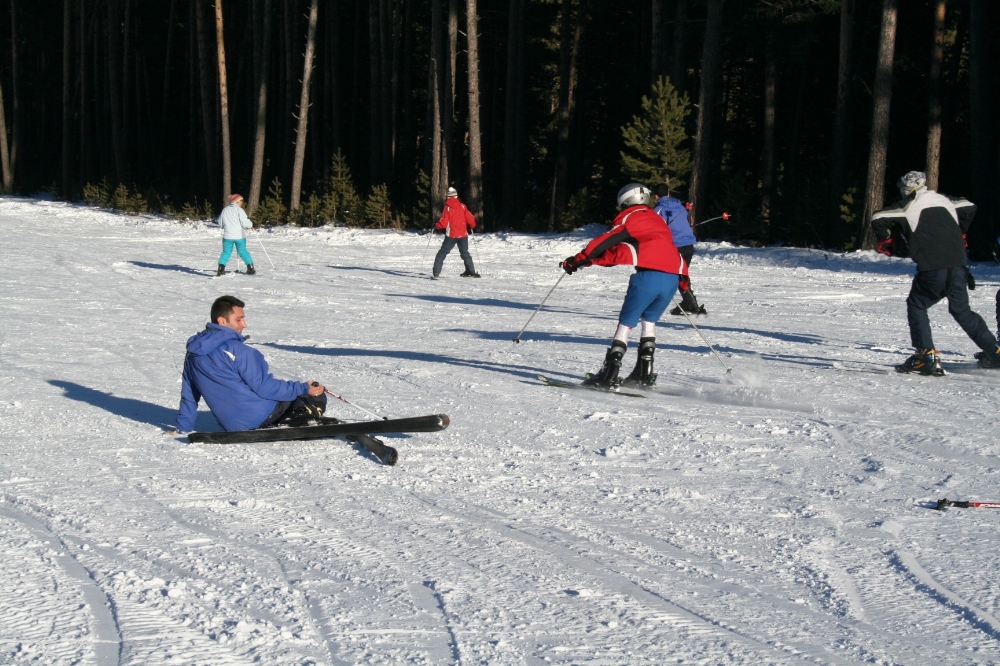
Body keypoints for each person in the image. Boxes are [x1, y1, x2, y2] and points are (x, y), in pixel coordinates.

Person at [871, 171, 1000, 374]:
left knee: (917, 304)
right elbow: (969, 206)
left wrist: (885, 239)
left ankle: (926, 356)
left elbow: (878, 217)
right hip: (959, 266)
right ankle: (995, 352)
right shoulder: (945, 200)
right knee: (962, 311)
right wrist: (961, 231)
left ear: (906, 188)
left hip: (933, 268)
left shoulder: (907, 205)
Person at [561, 182, 687, 388]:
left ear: (625, 200)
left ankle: (610, 371)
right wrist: (684, 288)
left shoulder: (632, 217)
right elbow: (625, 252)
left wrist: (578, 260)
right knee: (649, 321)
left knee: (626, 323)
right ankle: (644, 372)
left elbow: (605, 242)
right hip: (673, 277)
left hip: (647, 278)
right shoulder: (656, 220)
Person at [171, 295, 327, 433]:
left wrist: (183, 427)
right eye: (239, 319)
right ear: (222, 321)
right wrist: (304, 387)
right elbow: (265, 388)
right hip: (261, 416)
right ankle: (296, 419)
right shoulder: (240, 351)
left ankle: (292, 416)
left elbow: (189, 394)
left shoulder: (193, 353)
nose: (244, 324)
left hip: (232, 425)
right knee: (316, 395)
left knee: (292, 394)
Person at [653, 183, 705, 315]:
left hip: (676, 246)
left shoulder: (658, 209)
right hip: (688, 245)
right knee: (681, 274)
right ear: (669, 193)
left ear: (656, 196)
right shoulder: (680, 207)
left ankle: (690, 304)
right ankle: (689, 302)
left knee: (667, 274)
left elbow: (653, 228)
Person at [432, 187, 480, 278]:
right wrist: (472, 225)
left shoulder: (447, 208)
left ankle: (436, 272)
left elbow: (444, 222)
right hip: (463, 235)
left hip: (451, 235)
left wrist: (436, 225)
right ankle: (471, 271)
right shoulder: (462, 206)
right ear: (456, 196)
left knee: (442, 253)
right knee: (465, 253)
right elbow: (470, 217)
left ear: (448, 197)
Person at [217, 194, 255, 276]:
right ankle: (250, 267)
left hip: (227, 236)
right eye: (241, 201)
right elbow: (245, 222)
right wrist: (250, 225)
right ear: (237, 201)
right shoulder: (239, 210)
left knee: (226, 252)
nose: (242, 202)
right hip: (239, 236)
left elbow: (220, 223)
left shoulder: (225, 210)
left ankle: (221, 268)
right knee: (243, 251)